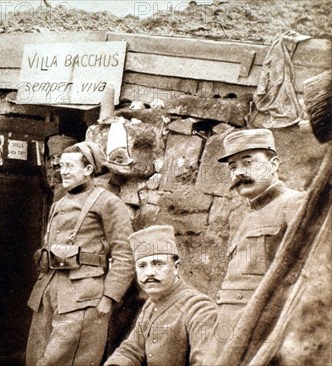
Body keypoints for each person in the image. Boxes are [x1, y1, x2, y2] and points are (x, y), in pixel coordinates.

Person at [26, 141, 135, 366]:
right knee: (36, 358)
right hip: (48, 293)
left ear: (88, 170)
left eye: (70, 166)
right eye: (61, 166)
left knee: (59, 361)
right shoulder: (60, 203)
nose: (63, 171)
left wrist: (109, 297)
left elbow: (125, 253)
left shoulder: (108, 203)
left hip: (83, 299)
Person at [210, 128, 306, 356]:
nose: (239, 173)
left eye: (248, 162)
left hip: (263, 339)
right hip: (230, 338)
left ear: (274, 164)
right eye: (232, 167)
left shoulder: (295, 204)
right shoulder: (245, 217)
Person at [104, 225, 217, 366]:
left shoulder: (199, 308)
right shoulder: (151, 305)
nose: (149, 272)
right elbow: (131, 350)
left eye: (158, 264)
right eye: (142, 266)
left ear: (176, 267)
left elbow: (205, 362)